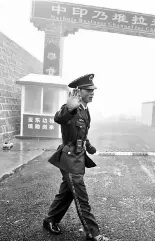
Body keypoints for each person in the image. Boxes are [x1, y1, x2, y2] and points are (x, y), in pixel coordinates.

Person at [43, 74, 109, 241]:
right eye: (88, 90)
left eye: (93, 90)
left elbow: (81, 133)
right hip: (70, 159)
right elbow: (59, 117)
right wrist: (69, 108)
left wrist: (89, 145)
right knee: (81, 196)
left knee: (67, 193)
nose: (92, 93)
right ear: (78, 91)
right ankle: (93, 233)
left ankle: (50, 220)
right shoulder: (71, 108)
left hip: (79, 157)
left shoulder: (86, 110)